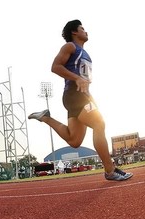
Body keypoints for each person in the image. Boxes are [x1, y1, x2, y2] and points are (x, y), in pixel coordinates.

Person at [28, 19, 132, 181]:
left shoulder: (86, 55)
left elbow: (85, 81)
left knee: (74, 140)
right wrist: (76, 78)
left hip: (81, 96)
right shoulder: (70, 46)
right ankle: (110, 170)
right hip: (73, 95)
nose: (86, 31)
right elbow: (55, 66)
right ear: (74, 32)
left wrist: (91, 98)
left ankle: (46, 117)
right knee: (99, 124)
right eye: (82, 28)